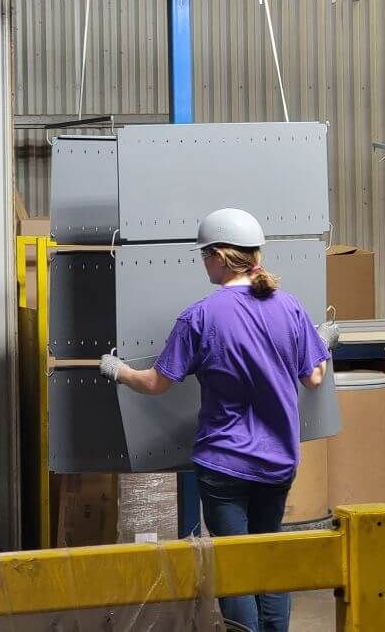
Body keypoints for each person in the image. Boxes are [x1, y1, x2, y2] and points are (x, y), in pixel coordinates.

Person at [99, 207, 337, 632]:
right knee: (269, 562)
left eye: (203, 255)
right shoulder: (290, 308)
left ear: (218, 257)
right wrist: (322, 343)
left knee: (232, 569)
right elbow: (314, 378)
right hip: (278, 462)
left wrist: (118, 371)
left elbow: (156, 383)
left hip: (224, 464)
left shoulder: (200, 317)